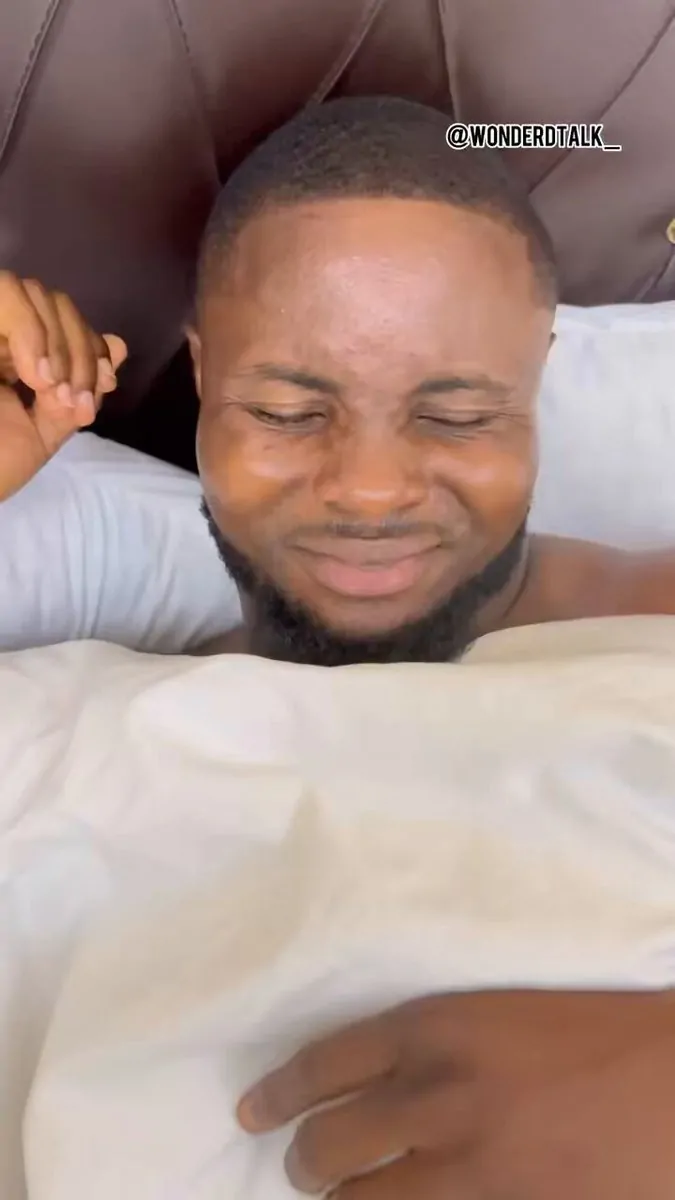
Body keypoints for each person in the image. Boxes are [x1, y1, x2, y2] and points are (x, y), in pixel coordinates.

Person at [3, 96, 675, 666]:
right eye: (287, 412)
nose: (370, 493)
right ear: (203, 375)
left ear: (533, 382)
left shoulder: (649, 630)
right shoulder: (98, 699)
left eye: (458, 417)